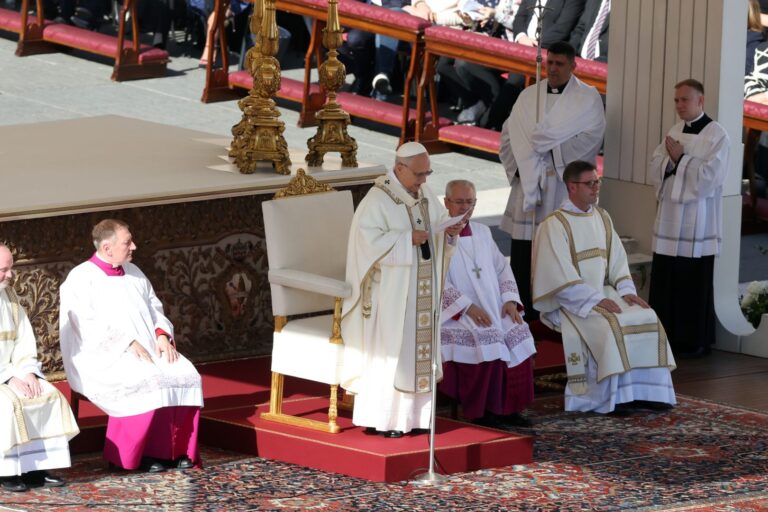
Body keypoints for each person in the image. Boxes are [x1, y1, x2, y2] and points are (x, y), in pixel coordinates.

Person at [532, 161, 677, 414]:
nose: (595, 188)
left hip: (603, 293)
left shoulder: (602, 216)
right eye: (589, 183)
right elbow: (557, 276)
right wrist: (594, 300)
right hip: (572, 302)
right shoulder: (554, 225)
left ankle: (644, 393)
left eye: (597, 181)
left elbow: (617, 261)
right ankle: (609, 399)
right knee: (612, 324)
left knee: (647, 316)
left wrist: (627, 292)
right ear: (571, 187)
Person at [59, 220, 203, 472]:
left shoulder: (135, 272)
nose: (134, 246)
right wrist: (126, 342)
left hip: (148, 347)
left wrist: (161, 334)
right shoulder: (81, 278)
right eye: (127, 242)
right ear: (107, 247)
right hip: (104, 355)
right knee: (147, 378)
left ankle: (172, 452)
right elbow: (84, 325)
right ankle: (129, 457)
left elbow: (154, 306)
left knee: (185, 372)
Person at [341, 142, 463, 438]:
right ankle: (386, 420)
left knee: (415, 354)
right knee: (391, 356)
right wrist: (406, 239)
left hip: (420, 290)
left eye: (427, 173)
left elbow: (436, 229)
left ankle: (415, 418)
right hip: (390, 296)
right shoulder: (377, 200)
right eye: (420, 174)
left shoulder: (424, 195)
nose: (424, 180)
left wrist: (448, 233)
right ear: (399, 169)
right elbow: (366, 245)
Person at [499, 41, 606, 318]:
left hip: (559, 185)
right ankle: (523, 312)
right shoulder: (528, 96)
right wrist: (524, 165)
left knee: (556, 250)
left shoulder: (587, 98)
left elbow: (592, 136)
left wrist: (552, 156)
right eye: (550, 63)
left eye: (560, 64)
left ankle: (556, 313)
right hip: (529, 186)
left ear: (573, 65)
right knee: (524, 254)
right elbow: (509, 133)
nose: (554, 69)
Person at [439, 180, 536, 428]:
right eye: (459, 201)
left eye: (469, 202)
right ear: (446, 202)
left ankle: (510, 409)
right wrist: (468, 308)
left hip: (493, 306)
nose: (465, 207)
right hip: (456, 313)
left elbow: (502, 267)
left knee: (519, 332)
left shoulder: (483, 231)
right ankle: (485, 412)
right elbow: (437, 280)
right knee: (489, 339)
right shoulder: (439, 235)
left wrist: (510, 301)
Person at [648, 79, 730, 358]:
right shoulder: (674, 130)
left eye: (685, 100)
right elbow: (656, 163)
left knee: (692, 281)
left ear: (700, 101)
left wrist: (681, 160)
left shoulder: (717, 135)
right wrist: (670, 162)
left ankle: (694, 340)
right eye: (677, 100)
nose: (680, 105)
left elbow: (711, 178)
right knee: (666, 278)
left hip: (698, 222)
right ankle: (664, 336)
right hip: (670, 219)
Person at [0, 244, 78, 493]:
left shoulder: (9, 299)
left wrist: (28, 372)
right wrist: (9, 377)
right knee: (7, 405)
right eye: (4, 270)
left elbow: (24, 342)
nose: (11, 276)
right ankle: (7, 472)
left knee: (47, 394)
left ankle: (35, 468)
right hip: (3, 376)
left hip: (13, 372)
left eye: (10, 269)